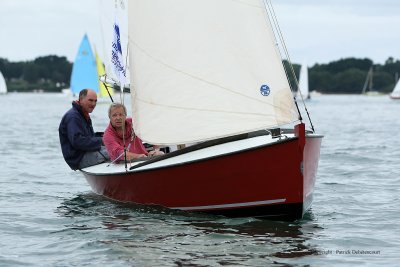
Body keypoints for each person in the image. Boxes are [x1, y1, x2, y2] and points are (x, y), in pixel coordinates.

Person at [59, 88, 109, 170]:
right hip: (79, 158)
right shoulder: (73, 117)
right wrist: (102, 140)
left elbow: (89, 137)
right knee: (117, 152)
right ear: (81, 99)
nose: (93, 104)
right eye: (90, 100)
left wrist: (107, 136)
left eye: (95, 101)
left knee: (116, 147)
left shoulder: (83, 114)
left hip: (86, 152)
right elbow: (77, 141)